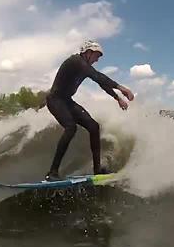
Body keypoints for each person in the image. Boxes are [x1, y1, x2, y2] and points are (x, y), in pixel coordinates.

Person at [45, 40, 134, 181]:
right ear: (88, 52)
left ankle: (97, 170)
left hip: (67, 101)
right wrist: (122, 88)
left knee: (94, 126)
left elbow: (100, 82)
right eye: (97, 55)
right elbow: (98, 76)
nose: (97, 59)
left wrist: (118, 98)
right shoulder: (75, 61)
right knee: (70, 127)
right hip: (55, 100)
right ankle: (52, 172)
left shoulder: (84, 67)